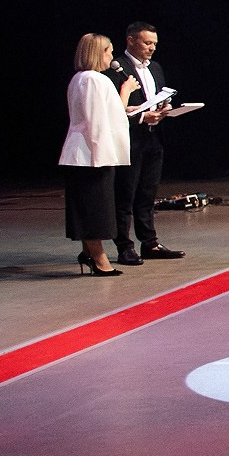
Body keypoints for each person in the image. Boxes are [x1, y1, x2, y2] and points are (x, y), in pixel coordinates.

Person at [60, 33, 135, 277]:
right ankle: (99, 258)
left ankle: (89, 253)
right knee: (95, 209)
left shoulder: (82, 79)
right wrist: (125, 92)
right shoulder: (93, 79)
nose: (112, 56)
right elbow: (97, 121)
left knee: (89, 206)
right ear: (96, 53)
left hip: (86, 154)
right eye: (108, 51)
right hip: (92, 155)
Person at [110, 20, 182, 263]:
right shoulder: (116, 67)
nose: (152, 48)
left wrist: (164, 107)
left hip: (153, 138)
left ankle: (149, 243)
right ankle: (124, 245)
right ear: (131, 40)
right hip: (130, 138)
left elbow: (155, 97)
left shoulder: (156, 68)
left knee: (147, 193)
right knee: (125, 193)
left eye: (154, 43)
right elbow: (112, 109)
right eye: (147, 43)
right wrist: (142, 116)